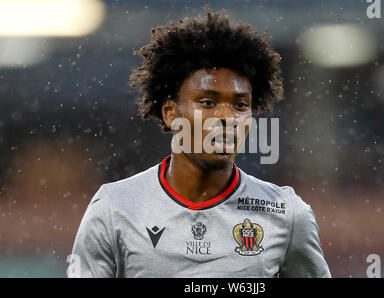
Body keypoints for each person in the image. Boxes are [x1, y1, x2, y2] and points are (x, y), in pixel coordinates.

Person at [69, 8, 331, 278]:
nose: (227, 117)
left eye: (241, 105)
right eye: (208, 102)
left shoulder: (287, 214)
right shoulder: (115, 207)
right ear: (170, 112)